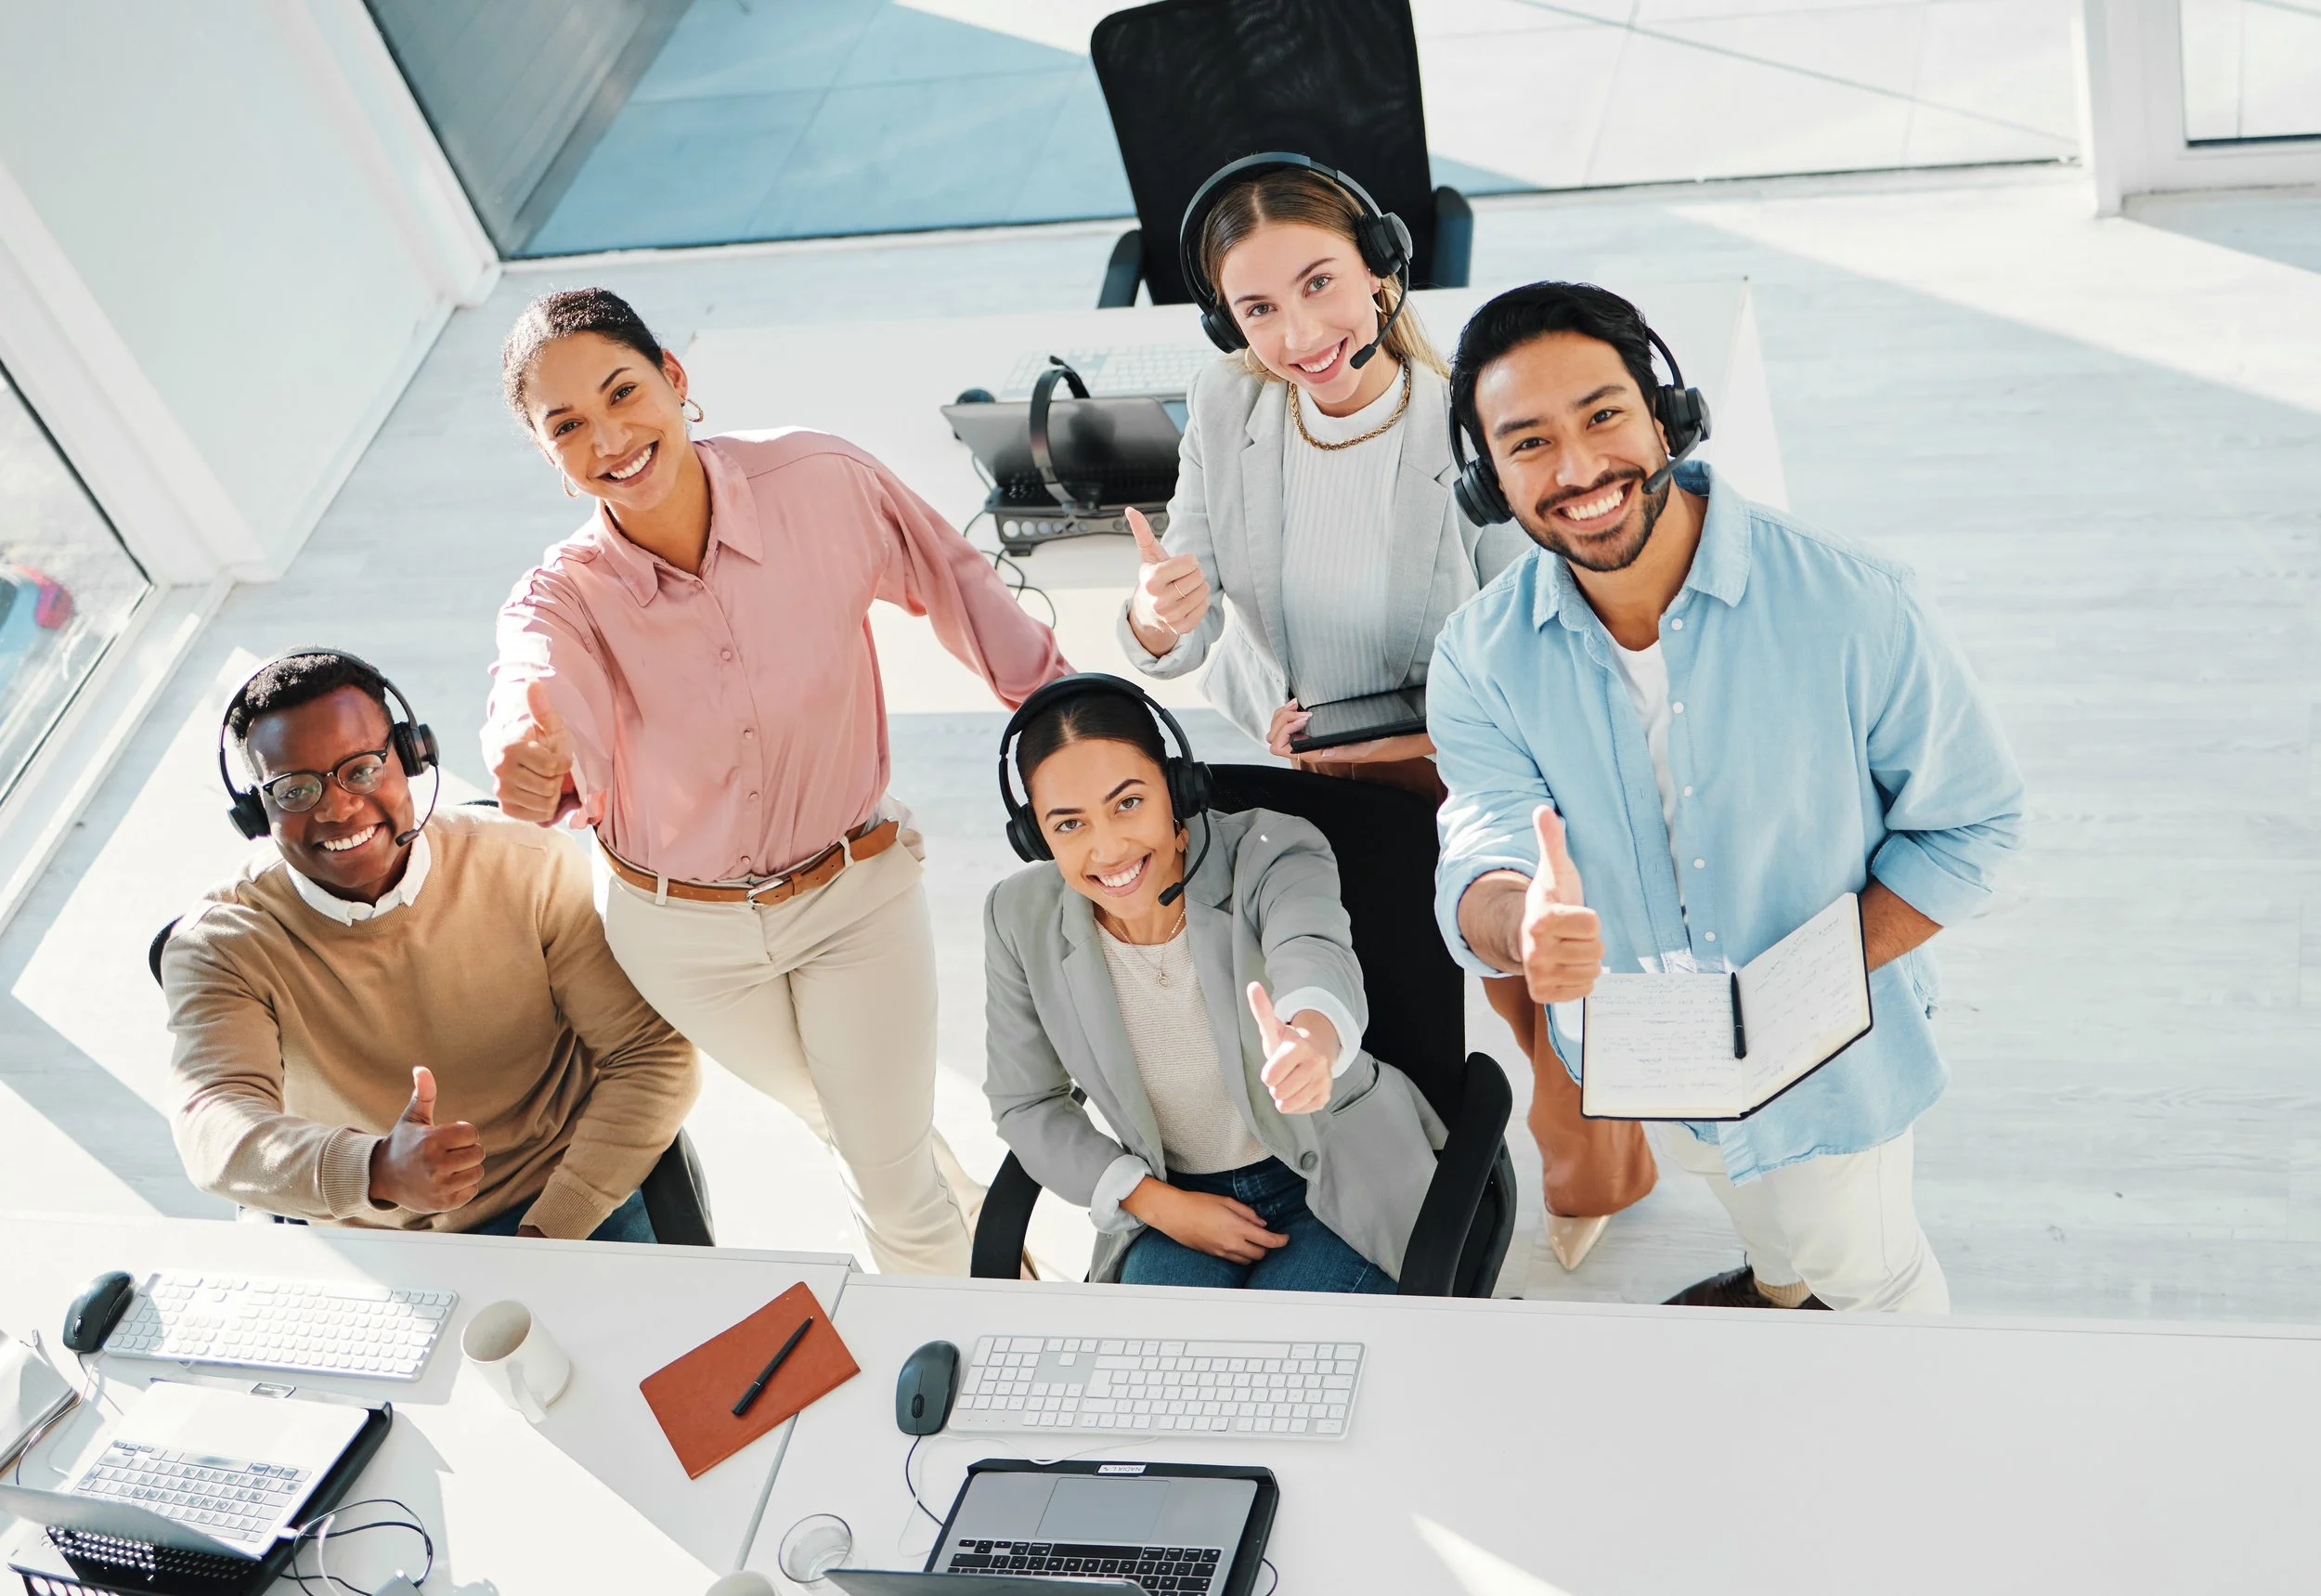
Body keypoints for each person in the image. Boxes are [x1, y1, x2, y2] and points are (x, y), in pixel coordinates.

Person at [1431, 283, 2026, 1313]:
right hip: (1645, 1050)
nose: (1576, 472)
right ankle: (1779, 1286)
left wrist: (1796, 992)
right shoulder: (1478, 657)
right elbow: (1484, 837)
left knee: (1870, 1277)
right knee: (1754, 1209)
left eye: (1604, 416)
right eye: (1528, 445)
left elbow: (1973, 823)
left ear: (1666, 416)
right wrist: (1516, 927)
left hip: (1829, 1052)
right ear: (1490, 483)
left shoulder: (1853, 603)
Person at [1119, 153, 1650, 1268]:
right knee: (1376, 989)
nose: (1300, 332)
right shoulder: (1232, 402)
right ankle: (1386, 1178)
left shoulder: (1463, 422)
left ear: (1381, 272)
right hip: (1313, 767)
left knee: (1533, 1000)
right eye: (1258, 308)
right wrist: (1160, 617)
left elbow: (1540, 641)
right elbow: (1196, 601)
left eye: (1320, 284)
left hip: (1471, 763)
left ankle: (1599, 1169)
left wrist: (1408, 738)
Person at [485, 288, 1070, 1277]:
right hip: (680, 937)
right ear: (548, 454)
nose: (609, 438)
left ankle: (985, 1373)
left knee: (884, 1178)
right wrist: (527, 755)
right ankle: (1005, 1278)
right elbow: (535, 690)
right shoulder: (561, 598)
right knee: (865, 1131)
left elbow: (955, 574)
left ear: (674, 377)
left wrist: (1063, 715)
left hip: (850, 897)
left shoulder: (820, 481)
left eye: (623, 392)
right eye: (568, 427)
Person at [162, 651, 697, 1239]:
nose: (337, 808)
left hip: (561, 1191)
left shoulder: (528, 863)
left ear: (412, 756)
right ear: (256, 813)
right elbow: (211, 1125)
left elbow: (652, 1057)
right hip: (371, 1229)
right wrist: (377, 1170)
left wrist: (550, 1231)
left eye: (361, 769)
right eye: (294, 790)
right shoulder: (221, 944)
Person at [982, 674, 1445, 1291]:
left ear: (1175, 788)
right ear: (1036, 835)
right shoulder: (1018, 917)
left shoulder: (1271, 850)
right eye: (1068, 825)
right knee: (1157, 1368)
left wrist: (1313, 1038)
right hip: (1176, 1197)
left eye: (1128, 803)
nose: (1109, 848)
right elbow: (1026, 1102)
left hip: (1335, 1175)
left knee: (1281, 1369)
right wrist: (1152, 1200)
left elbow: (1312, 950)